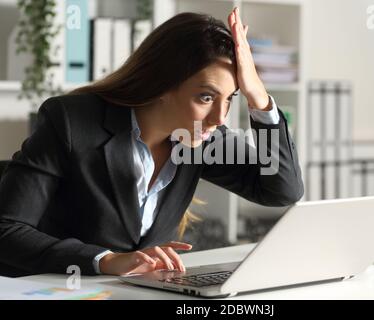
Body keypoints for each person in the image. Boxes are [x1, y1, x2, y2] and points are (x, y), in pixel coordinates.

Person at [0, 8, 303, 277]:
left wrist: (259, 99)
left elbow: (281, 190)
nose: (219, 118)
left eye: (231, 98)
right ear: (163, 84)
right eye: (206, 97)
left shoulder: (202, 137)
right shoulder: (71, 122)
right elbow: (8, 231)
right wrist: (105, 260)